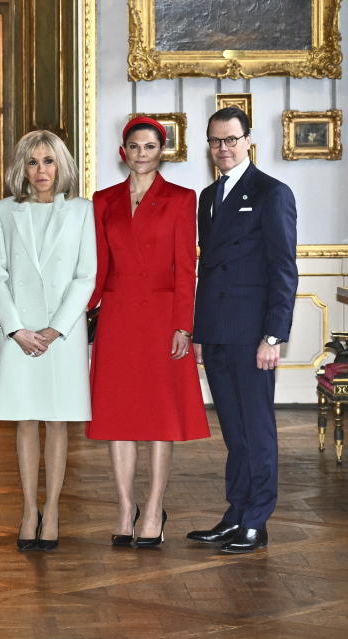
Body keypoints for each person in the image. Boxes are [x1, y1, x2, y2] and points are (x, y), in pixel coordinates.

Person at [86, 117, 210, 549]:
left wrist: (183, 324)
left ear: (162, 151)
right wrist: (75, 316)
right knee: (118, 418)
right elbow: (97, 269)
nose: (142, 153)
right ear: (124, 152)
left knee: (161, 418)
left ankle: (154, 508)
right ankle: (125, 507)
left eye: (151, 146)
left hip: (162, 320)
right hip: (118, 318)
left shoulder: (181, 199)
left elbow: (185, 268)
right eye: (135, 146)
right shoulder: (102, 201)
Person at [187, 107, 297, 553]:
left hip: (253, 335)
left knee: (257, 429)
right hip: (216, 331)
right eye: (215, 141)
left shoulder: (272, 192)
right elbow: (208, 271)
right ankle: (236, 513)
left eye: (231, 139)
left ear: (248, 140)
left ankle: (257, 520)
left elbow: (284, 270)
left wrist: (273, 336)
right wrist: (199, 332)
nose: (223, 148)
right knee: (234, 431)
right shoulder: (208, 196)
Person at [0, 130, 96, 551]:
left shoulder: (82, 212)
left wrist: (55, 329)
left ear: (61, 165)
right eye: (33, 162)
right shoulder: (5, 210)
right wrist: (16, 329)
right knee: (25, 419)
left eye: (49, 161)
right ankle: (28, 509)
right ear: (23, 168)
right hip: (18, 334)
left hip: (61, 335)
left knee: (57, 419)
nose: (41, 171)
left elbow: (85, 276)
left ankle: (51, 510)